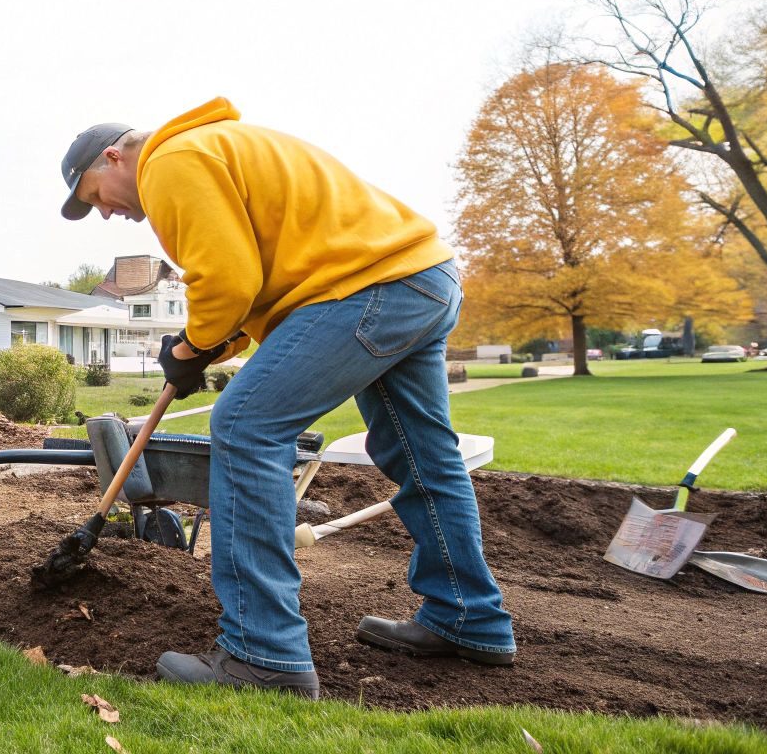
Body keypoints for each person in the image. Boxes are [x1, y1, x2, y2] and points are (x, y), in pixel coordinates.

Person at [58, 98, 515, 699]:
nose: (109, 214)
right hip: (418, 278)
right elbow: (254, 288)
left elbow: (226, 281)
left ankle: (263, 653)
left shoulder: (169, 161)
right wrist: (200, 350)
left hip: (367, 288)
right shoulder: (213, 148)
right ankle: (469, 616)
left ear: (113, 156)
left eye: (96, 197)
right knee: (422, 451)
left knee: (245, 426)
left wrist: (193, 346)